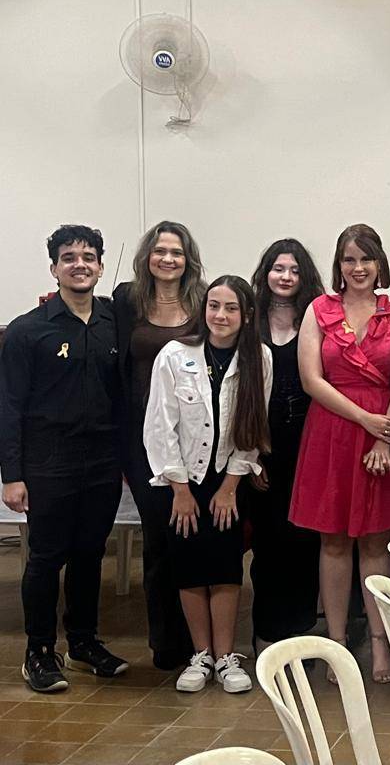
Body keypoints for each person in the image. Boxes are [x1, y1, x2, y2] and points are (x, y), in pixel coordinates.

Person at [0, 226, 127, 693]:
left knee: (90, 555)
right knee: (46, 558)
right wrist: (12, 475)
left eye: (88, 257)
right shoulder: (27, 330)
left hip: (103, 461)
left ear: (100, 266)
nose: (80, 264)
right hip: (49, 462)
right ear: (54, 268)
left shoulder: (115, 323)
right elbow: (9, 406)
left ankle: (83, 643)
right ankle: (38, 652)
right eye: (69, 257)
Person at [290, 224, 390, 684]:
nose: (358, 267)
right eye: (349, 259)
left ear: (379, 263)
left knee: (375, 543)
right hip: (333, 432)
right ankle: (337, 643)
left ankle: (380, 644)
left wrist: (385, 437)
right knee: (333, 541)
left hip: (383, 433)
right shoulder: (317, 309)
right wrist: (366, 420)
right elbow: (311, 380)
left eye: (366, 259)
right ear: (338, 264)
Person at [145, 275, 272, 693]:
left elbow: (254, 428)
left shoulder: (259, 358)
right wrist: (180, 490)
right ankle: (200, 655)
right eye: (214, 306)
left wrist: (231, 486)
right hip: (182, 481)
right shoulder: (174, 354)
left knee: (225, 566)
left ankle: (225, 657)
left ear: (246, 314)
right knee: (189, 566)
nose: (220, 315)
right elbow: (159, 426)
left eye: (231, 308)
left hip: (227, 480)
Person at [112, 220, 206, 670]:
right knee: (157, 540)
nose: (168, 259)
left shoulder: (202, 303)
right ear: (147, 256)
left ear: (189, 260)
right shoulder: (126, 301)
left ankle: (201, 642)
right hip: (141, 441)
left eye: (177, 252)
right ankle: (166, 642)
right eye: (160, 250)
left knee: (191, 537)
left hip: (194, 438)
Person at [243, 239, 324, 649]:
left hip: (309, 446)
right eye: (278, 268)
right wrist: (252, 456)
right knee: (268, 544)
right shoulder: (249, 322)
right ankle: (267, 633)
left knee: (305, 542)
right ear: (266, 273)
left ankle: (300, 633)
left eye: (294, 270)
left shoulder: (318, 319)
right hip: (261, 447)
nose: (286, 277)